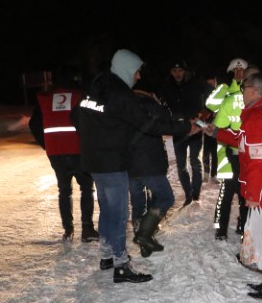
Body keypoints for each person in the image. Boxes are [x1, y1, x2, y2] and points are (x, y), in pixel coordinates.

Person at [71, 49, 199, 283]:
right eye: (138, 71)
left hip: (94, 161)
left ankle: (107, 255)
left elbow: (74, 116)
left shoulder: (95, 87)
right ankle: (121, 266)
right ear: (127, 68)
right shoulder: (120, 94)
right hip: (112, 162)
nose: (139, 76)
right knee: (119, 213)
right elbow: (148, 125)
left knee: (108, 209)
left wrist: (93, 138)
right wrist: (184, 128)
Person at [204, 73, 262, 300]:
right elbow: (245, 140)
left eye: (245, 88)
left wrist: (253, 194)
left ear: (255, 90)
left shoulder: (257, 118)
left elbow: (257, 162)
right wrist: (217, 132)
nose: (242, 92)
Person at [28, 67, 99, 242]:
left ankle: (68, 230)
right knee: (86, 188)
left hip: (56, 152)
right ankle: (87, 229)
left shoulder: (45, 97)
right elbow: (90, 121)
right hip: (77, 150)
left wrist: (46, 144)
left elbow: (33, 123)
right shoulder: (80, 95)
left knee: (64, 190)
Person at [128, 75, 192, 257]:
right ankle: (144, 235)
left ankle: (144, 243)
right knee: (166, 198)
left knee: (138, 203)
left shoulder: (125, 102)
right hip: (148, 161)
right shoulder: (150, 104)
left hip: (129, 163)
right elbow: (166, 123)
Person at [205, 58, 249, 240]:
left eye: (242, 70)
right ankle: (220, 228)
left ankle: (243, 225)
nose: (239, 73)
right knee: (226, 193)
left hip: (246, 152)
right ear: (231, 72)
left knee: (245, 193)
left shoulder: (251, 91)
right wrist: (224, 89)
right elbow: (210, 104)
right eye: (236, 70)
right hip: (227, 150)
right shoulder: (225, 91)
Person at [157, 59, 209, 206]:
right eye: (174, 71)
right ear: (170, 72)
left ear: (185, 71)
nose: (177, 74)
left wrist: (204, 113)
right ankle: (188, 195)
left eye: (180, 70)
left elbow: (214, 95)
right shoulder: (166, 87)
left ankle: (196, 194)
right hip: (178, 130)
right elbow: (160, 105)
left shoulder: (196, 84)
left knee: (195, 161)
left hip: (196, 128)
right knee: (181, 165)